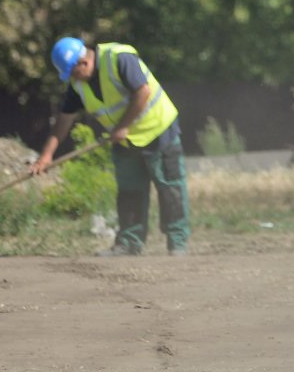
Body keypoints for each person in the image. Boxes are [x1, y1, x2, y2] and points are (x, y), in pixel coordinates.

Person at [31, 37, 191, 257]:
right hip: (125, 141)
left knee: (170, 188)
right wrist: (46, 156)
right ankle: (129, 243)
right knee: (129, 192)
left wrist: (123, 126)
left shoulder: (119, 58)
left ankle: (177, 243)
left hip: (158, 130)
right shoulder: (78, 85)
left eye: (73, 72)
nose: (73, 79)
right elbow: (64, 119)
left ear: (84, 63)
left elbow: (142, 91)